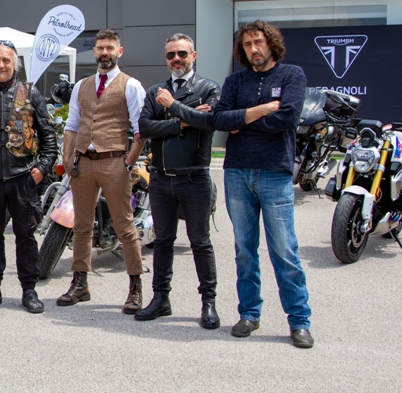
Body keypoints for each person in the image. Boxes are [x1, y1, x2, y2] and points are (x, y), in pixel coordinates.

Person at [211, 19, 313, 348]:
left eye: (258, 42)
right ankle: (249, 314)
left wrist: (243, 118)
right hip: (237, 172)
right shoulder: (234, 81)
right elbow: (220, 119)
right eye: (247, 44)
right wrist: (263, 110)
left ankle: (299, 321)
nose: (253, 49)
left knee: (284, 251)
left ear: (271, 43)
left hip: (274, 172)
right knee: (244, 251)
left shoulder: (291, 75)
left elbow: (288, 118)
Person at [0, 40, 57, 314]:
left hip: (23, 178)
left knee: (26, 235)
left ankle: (29, 290)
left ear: (15, 63)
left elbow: (48, 136)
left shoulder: (30, 92)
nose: (1, 65)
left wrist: (42, 169)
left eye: (6, 60)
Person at [58, 29, 147, 313]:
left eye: (110, 48)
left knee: (125, 226)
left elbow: (140, 128)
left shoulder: (131, 85)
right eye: (100, 48)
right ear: (94, 52)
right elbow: (72, 123)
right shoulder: (81, 86)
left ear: (119, 52)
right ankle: (80, 284)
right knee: (82, 226)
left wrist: (129, 162)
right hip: (83, 162)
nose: (104, 52)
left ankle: (135, 288)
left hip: (114, 161)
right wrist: (68, 156)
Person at [136, 33, 221, 328]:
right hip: (160, 178)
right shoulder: (155, 91)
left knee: (200, 242)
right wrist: (183, 121)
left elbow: (209, 122)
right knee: (162, 241)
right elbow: (145, 127)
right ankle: (161, 299)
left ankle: (208, 303)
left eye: (182, 54)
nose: (176, 59)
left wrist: (172, 105)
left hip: (194, 178)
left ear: (193, 56)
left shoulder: (209, 88)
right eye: (171, 54)